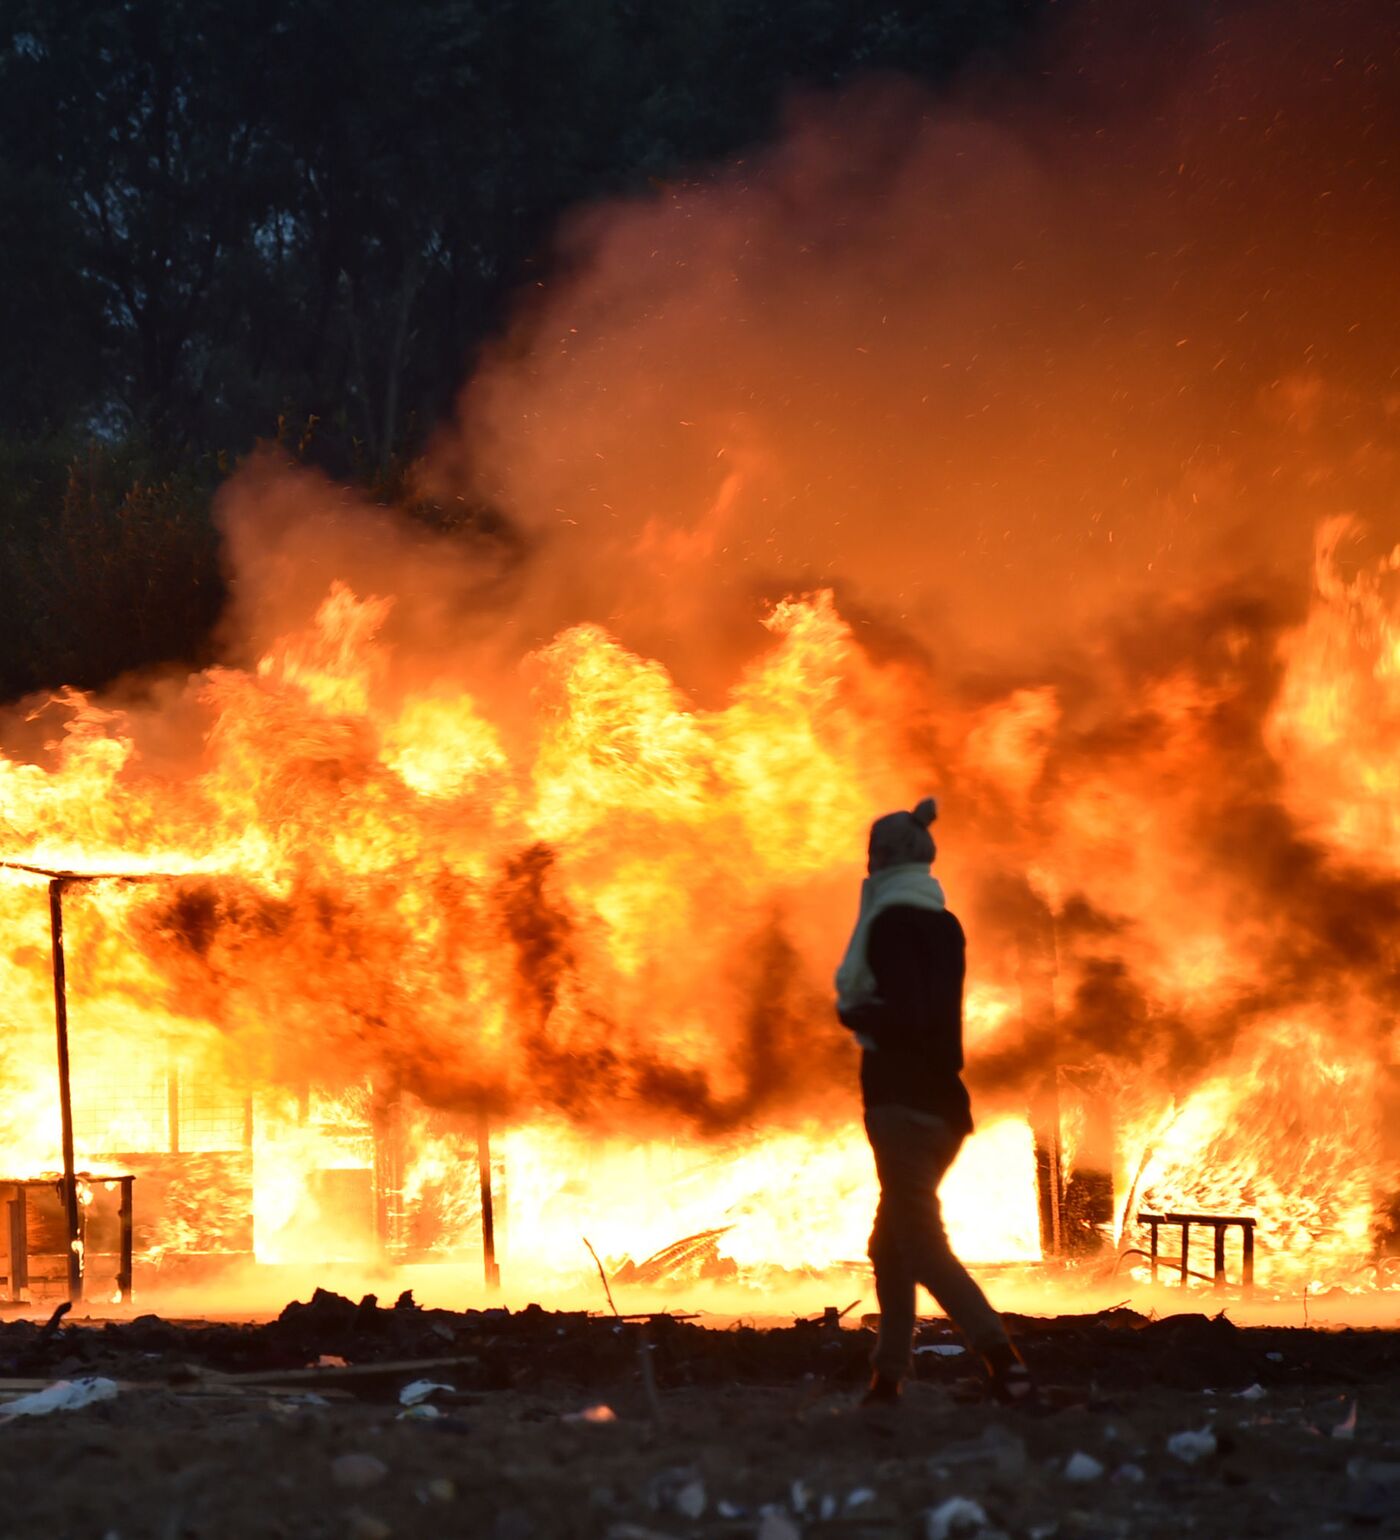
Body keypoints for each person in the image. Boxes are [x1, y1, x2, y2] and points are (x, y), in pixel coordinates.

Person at [835, 797, 1032, 1407]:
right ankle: (887, 1379)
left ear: (888, 860)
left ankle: (1003, 1361)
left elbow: (909, 1014)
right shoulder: (944, 923)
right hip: (943, 1106)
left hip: (903, 1103)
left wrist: (856, 1012)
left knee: (919, 1242)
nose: (868, 866)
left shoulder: (892, 922)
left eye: (874, 855)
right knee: (889, 1242)